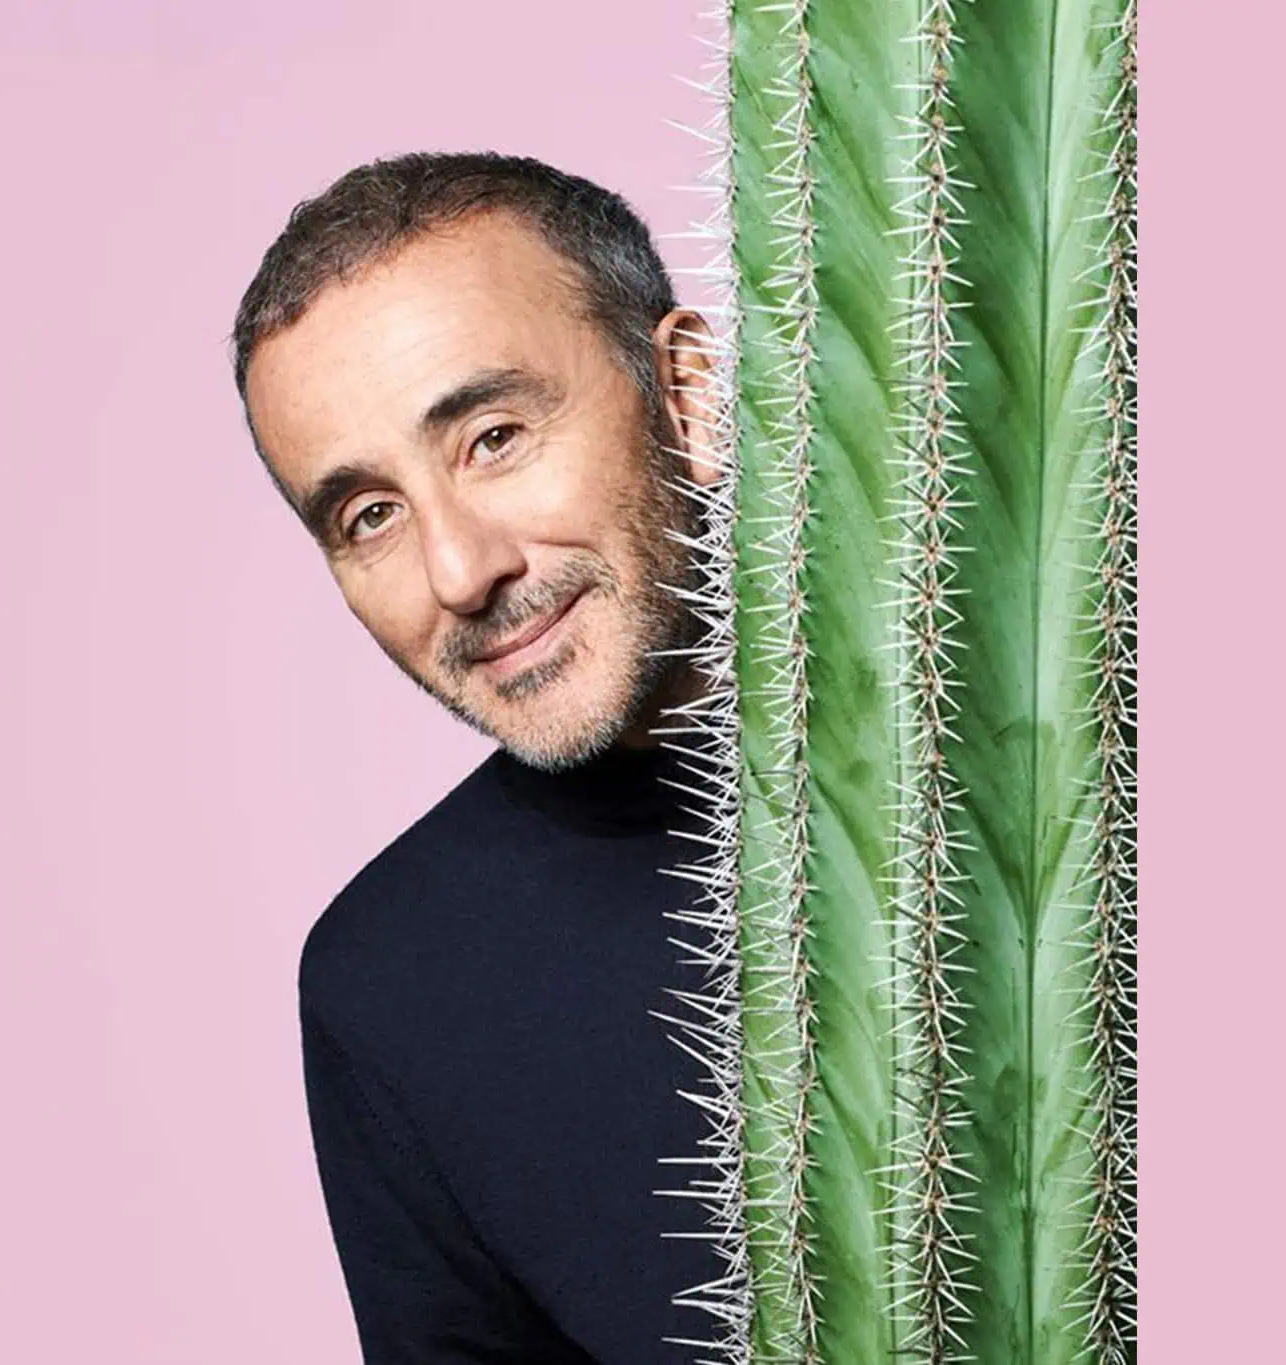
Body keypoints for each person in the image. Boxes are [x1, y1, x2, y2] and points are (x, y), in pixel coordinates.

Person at [231, 151, 733, 1364]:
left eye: (493, 438)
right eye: (368, 516)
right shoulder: (389, 984)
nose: (459, 573)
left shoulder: (1075, 736)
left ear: (686, 396)